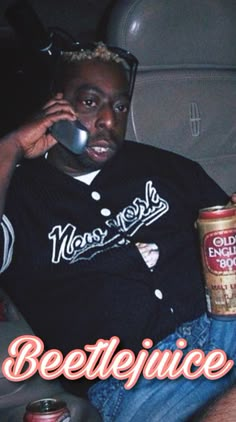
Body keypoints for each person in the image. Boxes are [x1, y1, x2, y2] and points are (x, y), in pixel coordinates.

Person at [0, 42, 235, 421]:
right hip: (139, 381)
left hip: (225, 328)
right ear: (55, 106)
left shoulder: (164, 167)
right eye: (90, 103)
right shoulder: (18, 196)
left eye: (120, 106)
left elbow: (226, 232)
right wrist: (9, 146)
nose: (109, 120)